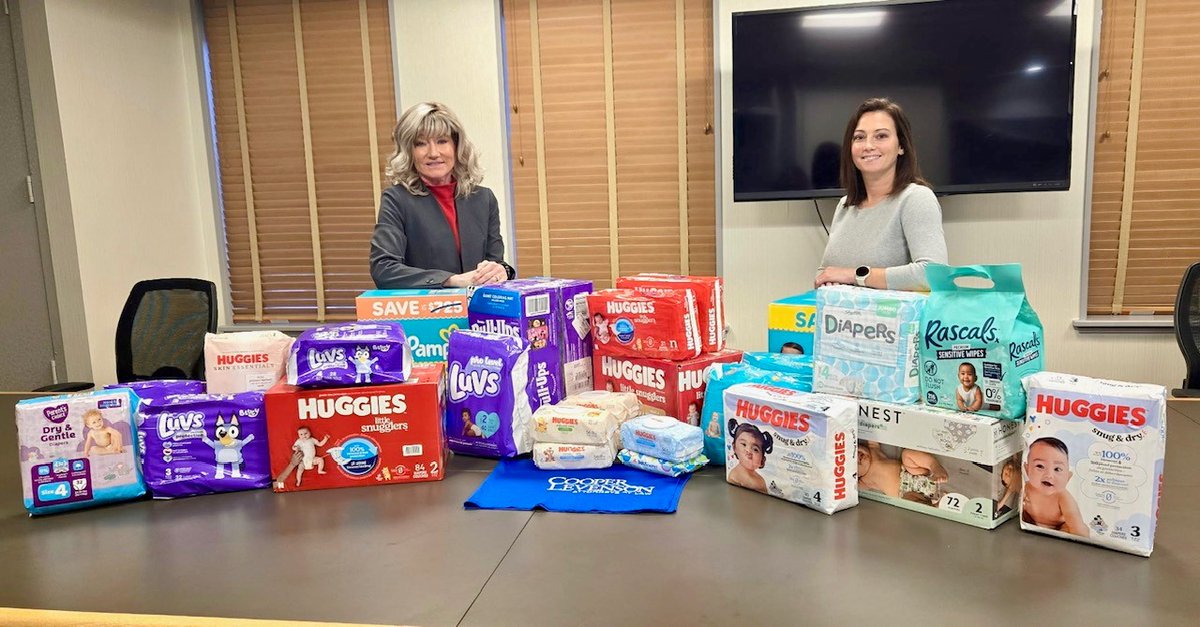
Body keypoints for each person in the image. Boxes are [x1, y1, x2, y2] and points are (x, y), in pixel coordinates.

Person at [370, 102, 515, 289]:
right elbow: (383, 269)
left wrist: (502, 271)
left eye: (442, 141)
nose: (433, 153)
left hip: (477, 312)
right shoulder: (397, 200)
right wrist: (452, 280)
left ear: (456, 146)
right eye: (420, 144)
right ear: (409, 152)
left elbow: (494, 262)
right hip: (426, 314)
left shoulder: (483, 199)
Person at [815, 98, 947, 291]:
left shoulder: (916, 198)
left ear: (901, 146)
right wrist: (827, 277)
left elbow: (933, 274)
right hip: (844, 320)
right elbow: (824, 272)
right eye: (859, 137)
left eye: (881, 136)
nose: (868, 145)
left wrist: (854, 275)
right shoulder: (845, 205)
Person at [1022, 437, 1089, 537]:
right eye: (1040, 466)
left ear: (1068, 477)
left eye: (1057, 469)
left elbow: (1077, 527)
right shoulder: (1026, 489)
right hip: (1031, 524)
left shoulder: (1063, 498)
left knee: (1068, 529)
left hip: (1058, 527)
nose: (1049, 475)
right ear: (1027, 469)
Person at [856, 441, 948, 505]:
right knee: (909, 502)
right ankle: (933, 507)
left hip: (912, 474)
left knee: (906, 454)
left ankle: (934, 466)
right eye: (855, 462)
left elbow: (871, 434)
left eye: (856, 450)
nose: (857, 457)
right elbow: (851, 489)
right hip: (905, 494)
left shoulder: (872, 450)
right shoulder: (864, 481)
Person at [727, 420, 771, 494]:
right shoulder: (734, 476)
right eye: (744, 444)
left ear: (762, 459)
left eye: (755, 449)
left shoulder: (760, 480)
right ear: (734, 447)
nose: (748, 451)